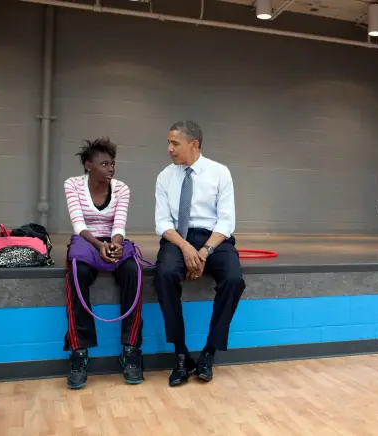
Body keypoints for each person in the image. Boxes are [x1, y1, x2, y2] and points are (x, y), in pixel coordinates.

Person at [154, 120, 246, 387]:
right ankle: (181, 353)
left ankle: (209, 352)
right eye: (169, 142)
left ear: (193, 144)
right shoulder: (164, 176)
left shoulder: (220, 173)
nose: (169, 149)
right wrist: (185, 248)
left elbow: (227, 222)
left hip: (213, 238)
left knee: (234, 279)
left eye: (174, 143)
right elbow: (162, 223)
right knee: (164, 274)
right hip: (177, 238)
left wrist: (204, 252)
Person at [63, 138, 144, 389]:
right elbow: (79, 224)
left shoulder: (122, 189)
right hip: (87, 241)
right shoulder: (72, 184)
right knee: (77, 273)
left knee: (134, 270)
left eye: (113, 164)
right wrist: (99, 247)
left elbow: (119, 224)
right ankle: (79, 351)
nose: (111, 169)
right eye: (104, 163)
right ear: (89, 165)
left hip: (112, 240)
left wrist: (115, 244)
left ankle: (130, 349)